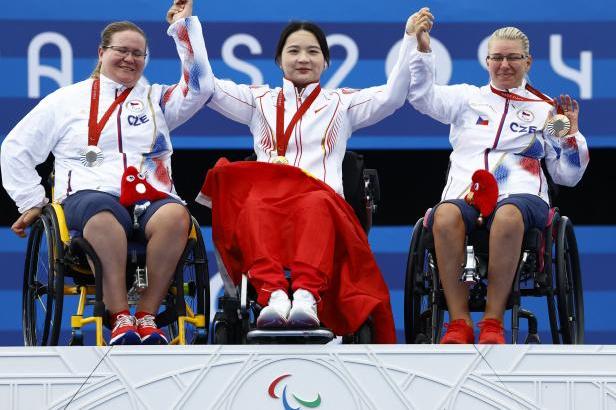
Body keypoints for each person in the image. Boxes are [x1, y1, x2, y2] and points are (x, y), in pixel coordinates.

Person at [199, 9, 434, 342]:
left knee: (316, 202)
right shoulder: (258, 101)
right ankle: (274, 296)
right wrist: (185, 29)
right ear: (279, 60)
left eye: (313, 52)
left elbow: (393, 96)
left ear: (326, 62)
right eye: (293, 51)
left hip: (322, 206)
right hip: (268, 205)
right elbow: (205, 86)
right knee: (253, 204)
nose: (303, 58)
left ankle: (307, 297)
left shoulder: (341, 104)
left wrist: (410, 39)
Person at [1, 0, 214, 345]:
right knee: (102, 218)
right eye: (122, 51)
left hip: (151, 198)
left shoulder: (156, 100)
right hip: (89, 197)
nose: (130, 59)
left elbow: (201, 86)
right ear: (101, 52)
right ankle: (119, 318)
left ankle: (146, 315)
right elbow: (15, 148)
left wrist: (183, 29)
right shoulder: (65, 101)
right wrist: (30, 201)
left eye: (139, 54)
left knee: (178, 217)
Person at [406, 18, 589, 344]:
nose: (505, 65)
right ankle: (459, 322)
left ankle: (493, 322)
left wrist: (571, 136)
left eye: (514, 58)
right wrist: (422, 51)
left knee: (507, 215)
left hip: (522, 196)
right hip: (466, 195)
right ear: (487, 61)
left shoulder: (547, 111)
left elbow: (568, 174)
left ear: (527, 62)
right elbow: (421, 97)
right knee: (444, 216)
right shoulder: (466, 99)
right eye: (498, 58)